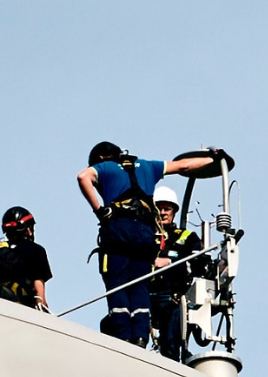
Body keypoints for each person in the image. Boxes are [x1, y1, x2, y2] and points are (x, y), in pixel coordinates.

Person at [76, 142, 222, 345]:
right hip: (144, 234)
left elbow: (83, 177)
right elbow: (184, 166)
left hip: (118, 231)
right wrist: (215, 160)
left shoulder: (105, 167)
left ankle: (123, 337)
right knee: (140, 287)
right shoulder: (147, 165)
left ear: (100, 158)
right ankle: (141, 338)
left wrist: (100, 211)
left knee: (118, 285)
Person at [148, 184, 204, 360]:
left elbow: (199, 265)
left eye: (167, 209)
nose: (163, 212)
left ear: (174, 212)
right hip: (142, 293)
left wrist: (171, 263)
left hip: (171, 296)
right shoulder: (142, 235)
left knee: (170, 348)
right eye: (159, 208)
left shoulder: (186, 236)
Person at [0, 206, 52, 309]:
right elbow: (38, 281)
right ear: (28, 229)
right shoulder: (36, 250)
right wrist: (41, 301)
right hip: (22, 307)